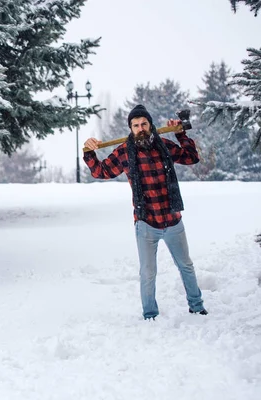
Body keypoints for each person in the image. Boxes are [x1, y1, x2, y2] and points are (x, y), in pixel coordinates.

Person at [83, 104, 207, 320]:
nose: (140, 128)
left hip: (173, 220)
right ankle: (150, 314)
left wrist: (180, 134)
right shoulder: (123, 152)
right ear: (131, 128)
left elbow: (191, 157)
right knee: (148, 273)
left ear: (150, 125)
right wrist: (89, 150)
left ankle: (197, 306)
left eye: (144, 124)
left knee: (186, 266)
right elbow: (100, 171)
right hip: (146, 224)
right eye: (135, 125)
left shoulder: (164, 145)